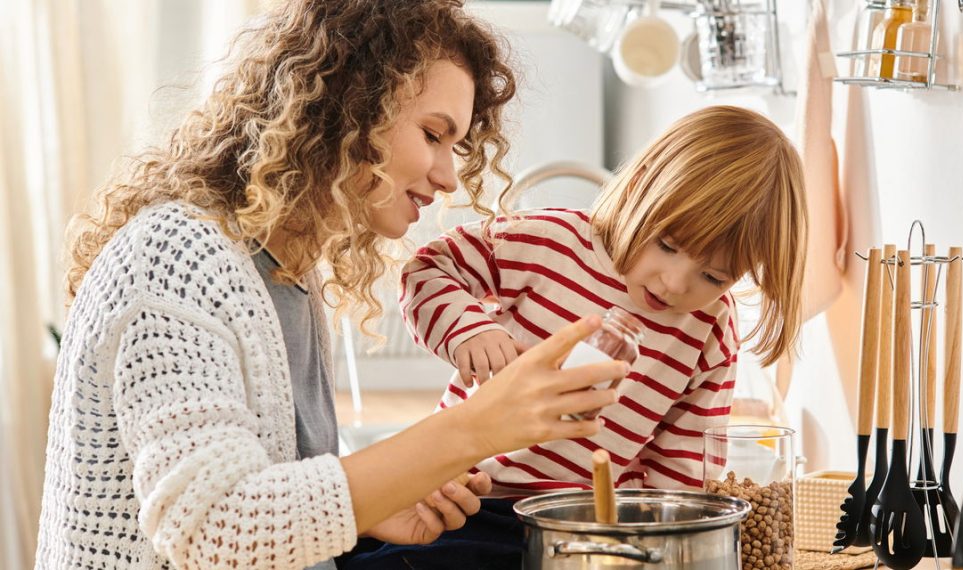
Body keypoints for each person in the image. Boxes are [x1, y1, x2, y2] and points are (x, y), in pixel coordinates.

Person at [34, 1, 629, 569]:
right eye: (432, 134)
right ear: (349, 108)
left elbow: (265, 491)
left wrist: (373, 510)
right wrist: (477, 426)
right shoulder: (175, 257)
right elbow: (214, 530)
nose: (449, 176)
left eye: (458, 147)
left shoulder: (287, 276)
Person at [359, 105, 807, 566]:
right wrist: (469, 330)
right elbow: (430, 268)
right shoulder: (551, 241)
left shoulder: (711, 327)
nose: (674, 283)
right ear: (638, 189)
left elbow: (680, 467)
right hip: (464, 501)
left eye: (713, 277)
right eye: (668, 245)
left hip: (583, 534)